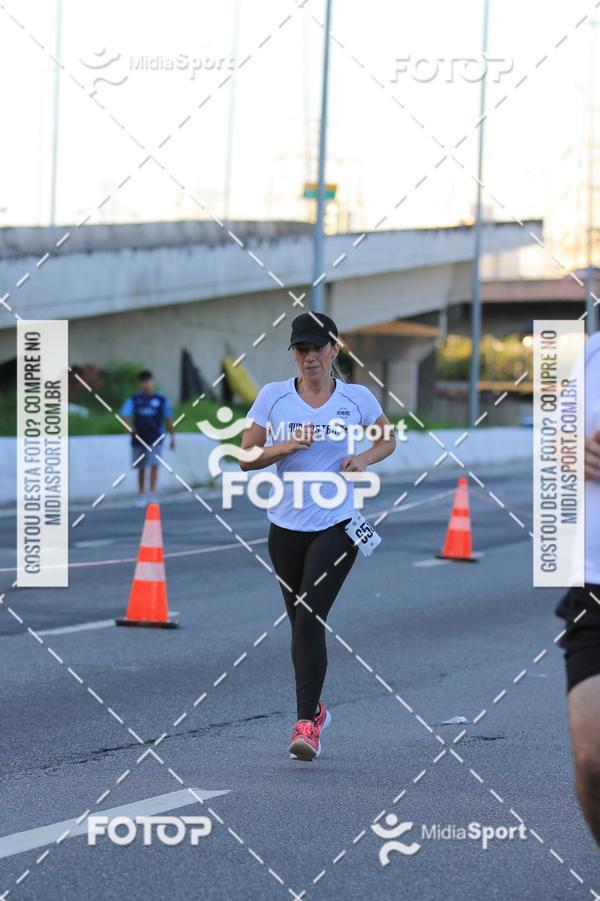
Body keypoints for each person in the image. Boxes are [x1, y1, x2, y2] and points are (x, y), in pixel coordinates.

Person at [240, 312, 396, 760]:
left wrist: (364, 459)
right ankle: (317, 710)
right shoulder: (273, 397)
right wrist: (284, 446)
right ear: (294, 354)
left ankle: (305, 724)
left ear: (334, 349)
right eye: (301, 349)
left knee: (309, 617)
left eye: (317, 348)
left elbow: (387, 440)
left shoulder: (356, 398)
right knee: (300, 626)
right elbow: (246, 457)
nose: (309, 357)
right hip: (285, 527)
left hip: (338, 524)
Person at [556, 330, 600, 845]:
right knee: (591, 758)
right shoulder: (593, 353)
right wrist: (572, 450)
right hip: (594, 586)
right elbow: (560, 437)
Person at [120, 370, 175, 507]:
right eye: (143, 382)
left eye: (148, 381)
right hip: (138, 438)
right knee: (141, 467)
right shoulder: (134, 399)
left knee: (154, 465)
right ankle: (141, 494)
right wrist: (129, 427)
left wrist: (172, 437)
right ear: (140, 384)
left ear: (153, 381)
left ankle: (152, 493)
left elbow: (168, 418)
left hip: (156, 438)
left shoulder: (161, 399)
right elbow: (124, 415)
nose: (146, 385)